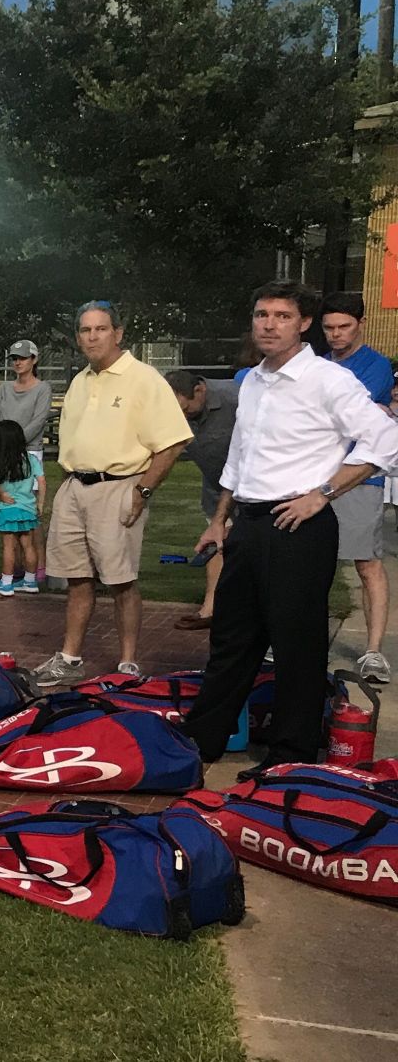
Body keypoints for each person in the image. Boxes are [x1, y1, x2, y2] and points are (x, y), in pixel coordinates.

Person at [181, 281, 398, 775]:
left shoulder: (328, 380)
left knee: (297, 645)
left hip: (300, 526)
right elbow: (240, 456)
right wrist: (220, 520)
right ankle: (202, 740)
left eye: (282, 316)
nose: (269, 324)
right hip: (249, 522)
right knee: (233, 638)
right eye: (261, 315)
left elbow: (385, 439)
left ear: (304, 324)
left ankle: (290, 756)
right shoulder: (252, 380)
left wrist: (323, 494)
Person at [28, 301, 192, 686]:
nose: (92, 336)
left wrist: (144, 489)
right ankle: (70, 658)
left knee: (121, 580)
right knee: (77, 578)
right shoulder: (81, 380)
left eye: (101, 329)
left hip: (118, 487)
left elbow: (172, 442)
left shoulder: (143, 378)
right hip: (74, 486)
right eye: (85, 330)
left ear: (118, 333)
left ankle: (128, 662)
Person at [320, 293, 394, 682]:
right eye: (329, 327)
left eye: (343, 326)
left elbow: (348, 417)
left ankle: (373, 651)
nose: (335, 334)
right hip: (316, 474)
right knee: (311, 564)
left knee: (366, 563)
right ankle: (296, 640)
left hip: (362, 475)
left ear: (361, 324)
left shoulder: (376, 366)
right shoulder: (317, 364)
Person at [164, 370, 240, 631]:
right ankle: (210, 608)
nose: (180, 416)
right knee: (215, 545)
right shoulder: (172, 410)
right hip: (215, 486)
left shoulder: (234, 397)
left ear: (199, 391)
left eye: (183, 408)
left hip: (253, 485)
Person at [0, 340, 54, 584]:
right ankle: (15, 567)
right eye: (14, 358)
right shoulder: (5, 388)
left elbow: (38, 422)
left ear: (34, 360)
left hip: (29, 452)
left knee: (31, 513)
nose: (18, 362)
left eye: (23, 358)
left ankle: (39, 566)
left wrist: (13, 444)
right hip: (5, 453)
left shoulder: (42, 388)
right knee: (10, 508)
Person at [0, 420, 42, 596]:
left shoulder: (0, 463)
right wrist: (40, 502)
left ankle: (6, 582)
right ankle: (30, 581)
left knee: (9, 547)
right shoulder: (31, 460)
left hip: (8, 509)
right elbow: (42, 480)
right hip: (28, 507)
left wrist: (1, 493)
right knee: (29, 545)